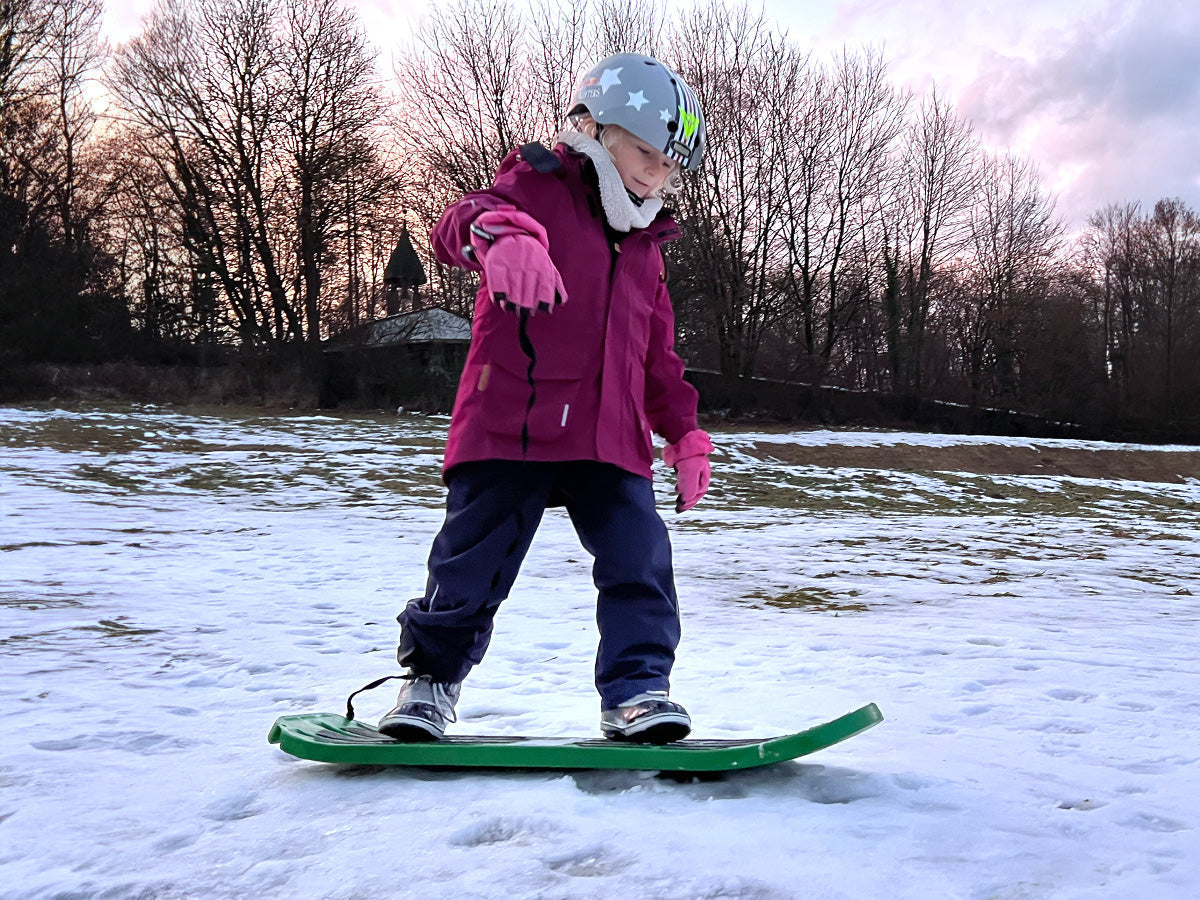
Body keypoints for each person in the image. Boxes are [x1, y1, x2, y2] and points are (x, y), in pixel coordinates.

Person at [379, 53, 714, 745]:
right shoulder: (536, 186)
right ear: (593, 127)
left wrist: (684, 434)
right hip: (514, 422)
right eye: (645, 153)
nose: (655, 175)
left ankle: (638, 692)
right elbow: (459, 222)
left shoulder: (648, 245)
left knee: (640, 562)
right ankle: (429, 685)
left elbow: (658, 356)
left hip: (611, 436)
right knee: (471, 564)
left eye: (669, 167)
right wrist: (500, 237)